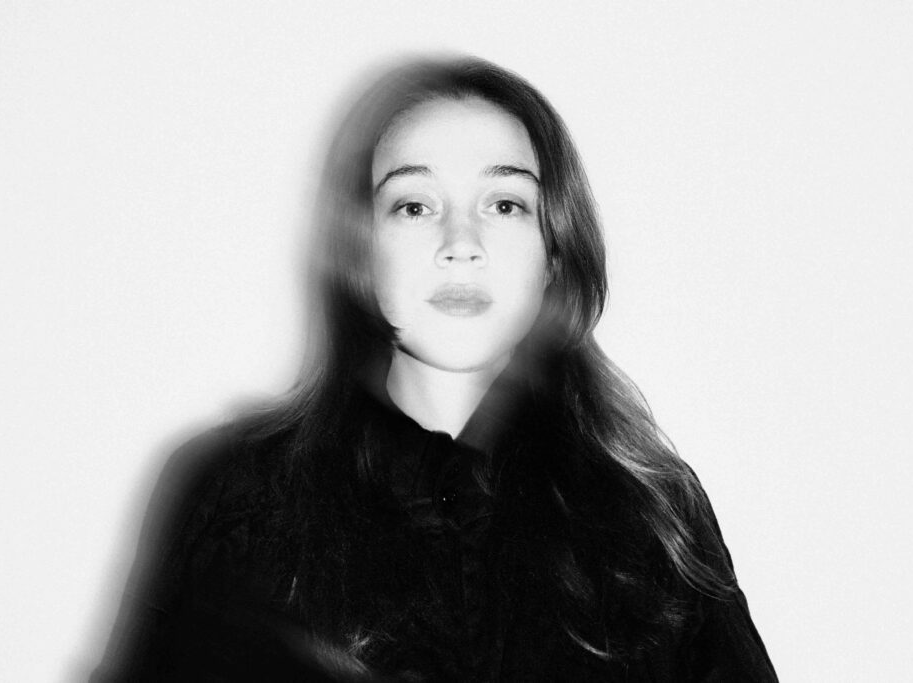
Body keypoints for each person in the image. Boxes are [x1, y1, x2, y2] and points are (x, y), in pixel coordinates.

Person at [94, 56, 778, 681]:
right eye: (415, 206)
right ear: (361, 250)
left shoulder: (653, 515)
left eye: (504, 204)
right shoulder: (242, 503)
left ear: (554, 251)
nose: (460, 243)